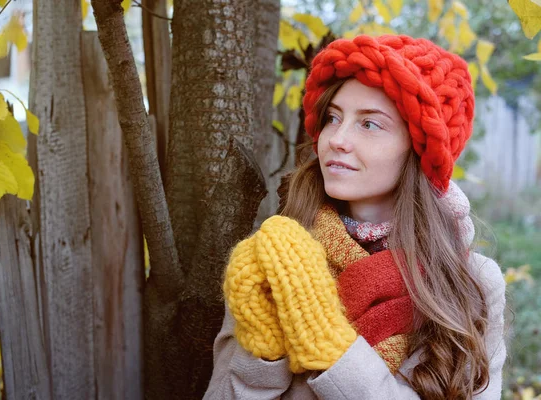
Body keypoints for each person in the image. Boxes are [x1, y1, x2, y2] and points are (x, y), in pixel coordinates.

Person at [203, 34, 507, 399]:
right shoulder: (275, 259)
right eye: (333, 118)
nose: (337, 139)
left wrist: (334, 351)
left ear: (419, 150)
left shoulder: (468, 281)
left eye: (369, 124)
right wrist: (264, 355)